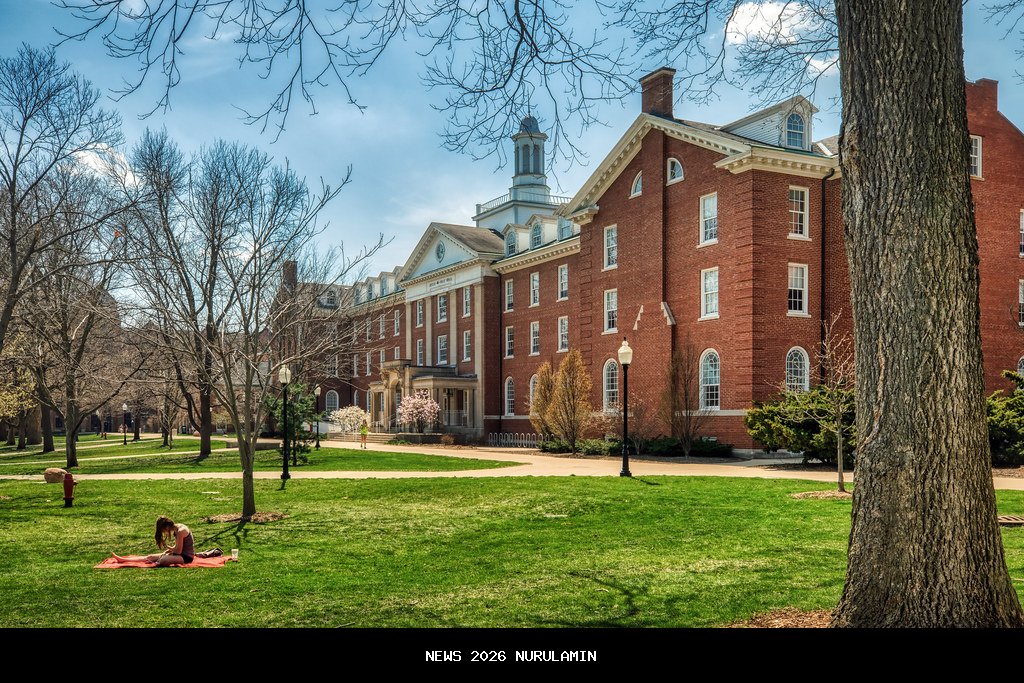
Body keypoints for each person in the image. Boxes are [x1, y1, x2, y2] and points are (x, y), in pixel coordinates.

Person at [111, 516, 220, 566]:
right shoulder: (176, 529)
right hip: (180, 554)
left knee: (163, 560)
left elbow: (179, 551)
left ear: (167, 527)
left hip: (186, 557)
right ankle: (123, 560)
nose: (164, 532)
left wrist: (168, 552)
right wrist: (168, 549)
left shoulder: (181, 530)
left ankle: (158, 562)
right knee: (150, 556)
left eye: (163, 530)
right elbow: (177, 549)